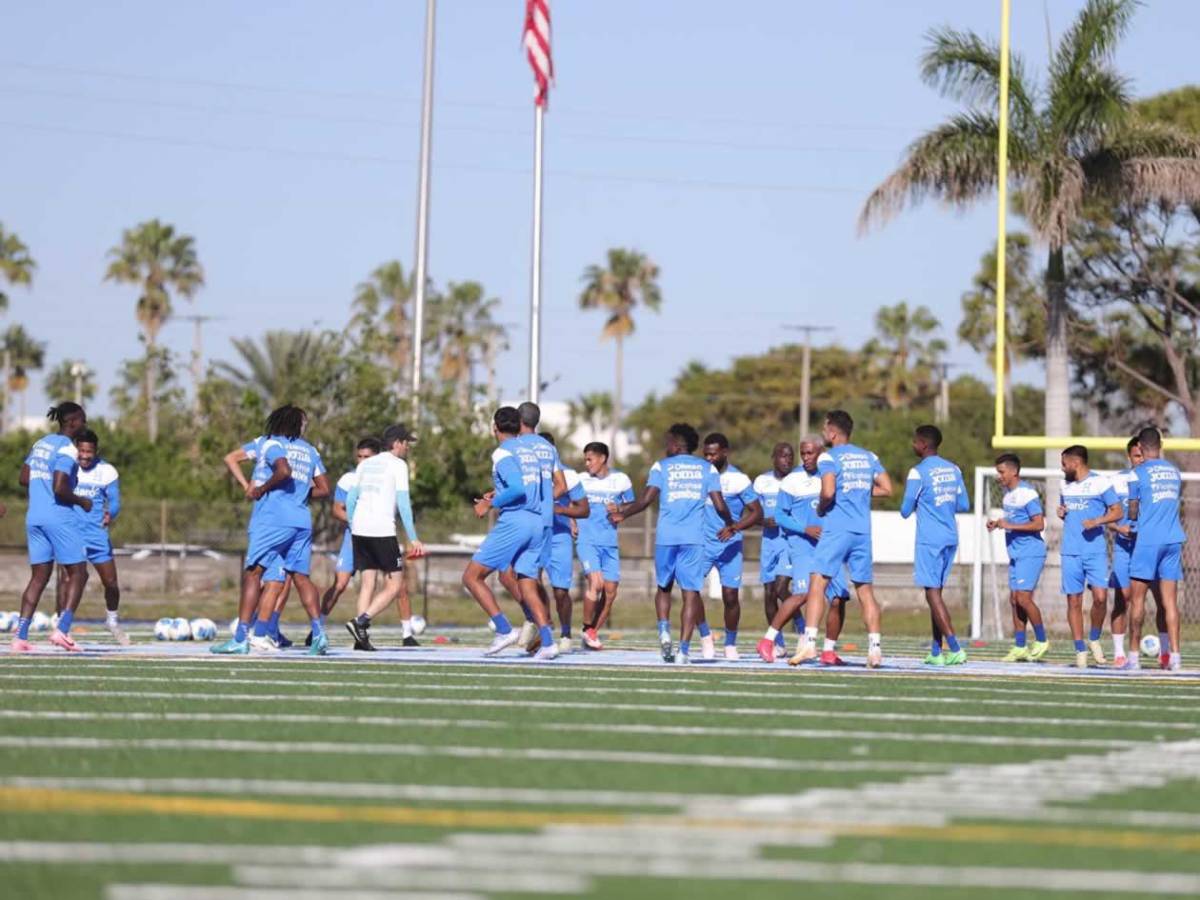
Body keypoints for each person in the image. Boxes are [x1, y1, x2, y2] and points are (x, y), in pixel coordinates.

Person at [211, 405, 331, 656]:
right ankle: (318, 634)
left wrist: (260, 489)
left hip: (272, 520)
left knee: (253, 574)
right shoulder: (310, 450)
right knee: (298, 578)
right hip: (301, 521)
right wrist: (300, 493)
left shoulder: (269, 443)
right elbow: (324, 489)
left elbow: (283, 471)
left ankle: (240, 638)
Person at [608, 423, 732, 664]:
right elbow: (719, 504)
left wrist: (623, 514)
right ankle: (683, 651)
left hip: (666, 537)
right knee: (691, 593)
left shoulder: (661, 466)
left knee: (663, 588)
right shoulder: (707, 468)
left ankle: (664, 632)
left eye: (668, 442)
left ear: (676, 444)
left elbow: (645, 500)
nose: (666, 446)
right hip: (693, 539)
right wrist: (730, 523)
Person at [787, 411, 891, 668]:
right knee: (865, 591)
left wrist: (823, 508)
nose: (823, 433)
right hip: (862, 531)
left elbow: (828, 491)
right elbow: (887, 489)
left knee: (817, 583)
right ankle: (875, 650)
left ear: (833, 433)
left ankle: (810, 644)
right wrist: (857, 489)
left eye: (825, 429)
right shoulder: (869, 457)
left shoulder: (828, 457)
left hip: (837, 529)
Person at [461, 406, 556, 659]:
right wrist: (499, 493)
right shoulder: (529, 451)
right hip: (537, 521)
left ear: (495, 427)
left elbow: (517, 488)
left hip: (516, 521)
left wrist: (489, 503)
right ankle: (548, 642)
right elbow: (535, 485)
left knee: (472, 577)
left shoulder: (502, 452)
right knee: (527, 584)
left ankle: (503, 630)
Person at [755, 437, 852, 666]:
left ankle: (828, 651)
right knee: (803, 594)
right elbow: (780, 516)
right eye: (803, 454)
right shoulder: (792, 480)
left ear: (822, 453)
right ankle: (767, 641)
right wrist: (805, 529)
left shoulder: (832, 476)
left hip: (830, 545)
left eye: (810, 453)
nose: (806, 458)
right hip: (802, 545)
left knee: (839, 598)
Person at [11, 403, 90, 653]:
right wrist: (82, 501)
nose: (85, 424)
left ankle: (20, 637)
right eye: (83, 420)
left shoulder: (41, 443)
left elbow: (24, 478)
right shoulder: (67, 448)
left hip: (34, 516)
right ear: (73, 421)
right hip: (58, 517)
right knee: (79, 573)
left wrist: (42, 484)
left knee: (38, 578)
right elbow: (59, 488)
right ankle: (62, 630)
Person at [344, 424, 426, 651]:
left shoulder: (365, 464)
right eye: (406, 443)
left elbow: (350, 500)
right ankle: (360, 622)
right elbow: (403, 504)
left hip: (359, 529)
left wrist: (353, 524)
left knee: (367, 583)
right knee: (395, 584)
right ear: (397, 443)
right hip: (382, 530)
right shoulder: (398, 465)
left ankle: (360, 640)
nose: (407, 447)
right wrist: (413, 538)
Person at [899, 425, 970, 666]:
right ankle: (936, 651)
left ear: (923, 444)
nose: (913, 445)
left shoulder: (917, 472)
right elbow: (964, 504)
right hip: (950, 537)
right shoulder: (954, 469)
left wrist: (923, 502)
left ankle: (955, 648)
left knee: (931, 593)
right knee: (935, 594)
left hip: (930, 539)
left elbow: (905, 510)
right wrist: (942, 503)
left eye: (915, 441)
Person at [306, 436, 381, 647]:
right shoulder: (349, 479)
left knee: (375, 585)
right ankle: (317, 629)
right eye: (359, 457)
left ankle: (362, 635)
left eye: (367, 457)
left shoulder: (384, 480)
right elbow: (337, 510)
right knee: (339, 585)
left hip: (377, 538)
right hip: (353, 538)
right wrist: (359, 521)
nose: (362, 461)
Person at [1124, 426, 1186, 671]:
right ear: (1161, 445)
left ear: (1140, 446)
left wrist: (1133, 521)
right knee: (1170, 602)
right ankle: (1175, 657)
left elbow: (1132, 511)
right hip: (1173, 540)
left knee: (1137, 600)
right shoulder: (1174, 471)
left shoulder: (1137, 473)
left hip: (1148, 540)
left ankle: (1133, 658)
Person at [61, 429, 129, 646]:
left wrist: (111, 513)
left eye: (88, 452)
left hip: (97, 535)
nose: (84, 456)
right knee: (70, 579)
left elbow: (115, 501)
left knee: (111, 583)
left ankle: (112, 621)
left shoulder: (107, 471)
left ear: (95, 451)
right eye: (81, 451)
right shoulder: (66, 467)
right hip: (72, 533)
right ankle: (62, 625)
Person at [1057, 445, 1122, 669]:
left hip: (1095, 551)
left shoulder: (1100, 482)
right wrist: (1061, 513)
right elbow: (1065, 510)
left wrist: (1096, 521)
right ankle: (1080, 649)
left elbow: (1118, 511)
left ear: (1076, 463)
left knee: (1100, 598)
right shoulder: (1064, 484)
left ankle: (1094, 638)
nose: (1062, 468)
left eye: (1064, 463)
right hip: (1070, 551)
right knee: (1074, 601)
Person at [513, 403, 570, 653]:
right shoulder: (548, 447)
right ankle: (540, 622)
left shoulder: (516, 446)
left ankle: (538, 622)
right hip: (546, 521)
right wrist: (545, 501)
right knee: (529, 577)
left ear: (518, 420)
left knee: (513, 575)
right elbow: (561, 486)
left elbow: (516, 484)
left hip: (525, 519)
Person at [699, 433, 762, 660]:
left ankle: (730, 644)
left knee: (731, 596)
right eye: (706, 454)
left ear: (725, 453)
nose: (709, 458)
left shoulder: (739, 479)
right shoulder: (699, 476)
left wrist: (734, 527)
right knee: (691, 591)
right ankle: (705, 638)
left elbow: (757, 512)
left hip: (730, 546)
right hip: (703, 544)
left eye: (713, 454)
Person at [1108, 437, 1169, 668]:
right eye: (1136, 456)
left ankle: (1165, 653)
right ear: (1129, 457)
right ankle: (1119, 653)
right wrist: (1119, 528)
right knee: (1123, 598)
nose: (1140, 460)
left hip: (1151, 548)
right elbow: (1105, 516)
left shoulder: (1156, 480)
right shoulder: (1117, 481)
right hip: (1124, 548)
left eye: (1142, 455)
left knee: (1161, 600)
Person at [988, 454, 1051, 662]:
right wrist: (998, 523)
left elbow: (1039, 524)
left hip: (1030, 552)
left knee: (1023, 598)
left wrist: (1009, 525)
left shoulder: (1027, 493)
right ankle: (1020, 646)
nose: (999, 476)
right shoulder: (1008, 494)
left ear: (1013, 472)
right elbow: (1014, 519)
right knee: (1015, 600)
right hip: (1016, 553)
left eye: (1001, 472)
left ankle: (1041, 640)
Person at [576, 441, 634, 650]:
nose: (587, 464)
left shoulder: (621, 479)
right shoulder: (580, 480)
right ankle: (586, 627)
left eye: (590, 459)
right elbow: (568, 503)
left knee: (610, 592)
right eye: (585, 459)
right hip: (587, 540)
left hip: (609, 543)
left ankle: (591, 632)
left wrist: (619, 508)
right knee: (596, 583)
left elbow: (631, 504)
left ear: (602, 458)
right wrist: (571, 522)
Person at [539, 432, 589, 653]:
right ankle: (542, 623)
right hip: (534, 534)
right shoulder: (527, 472)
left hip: (559, 537)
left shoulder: (568, 475)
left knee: (560, 591)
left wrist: (562, 512)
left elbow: (583, 509)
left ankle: (566, 633)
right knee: (528, 581)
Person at [752, 443, 796, 652]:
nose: (787, 460)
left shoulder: (798, 480)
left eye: (790, 456)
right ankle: (778, 643)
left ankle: (803, 628)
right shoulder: (762, 481)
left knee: (781, 589)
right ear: (774, 457)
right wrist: (763, 521)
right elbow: (752, 512)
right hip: (769, 542)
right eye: (783, 456)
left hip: (789, 541)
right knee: (769, 592)